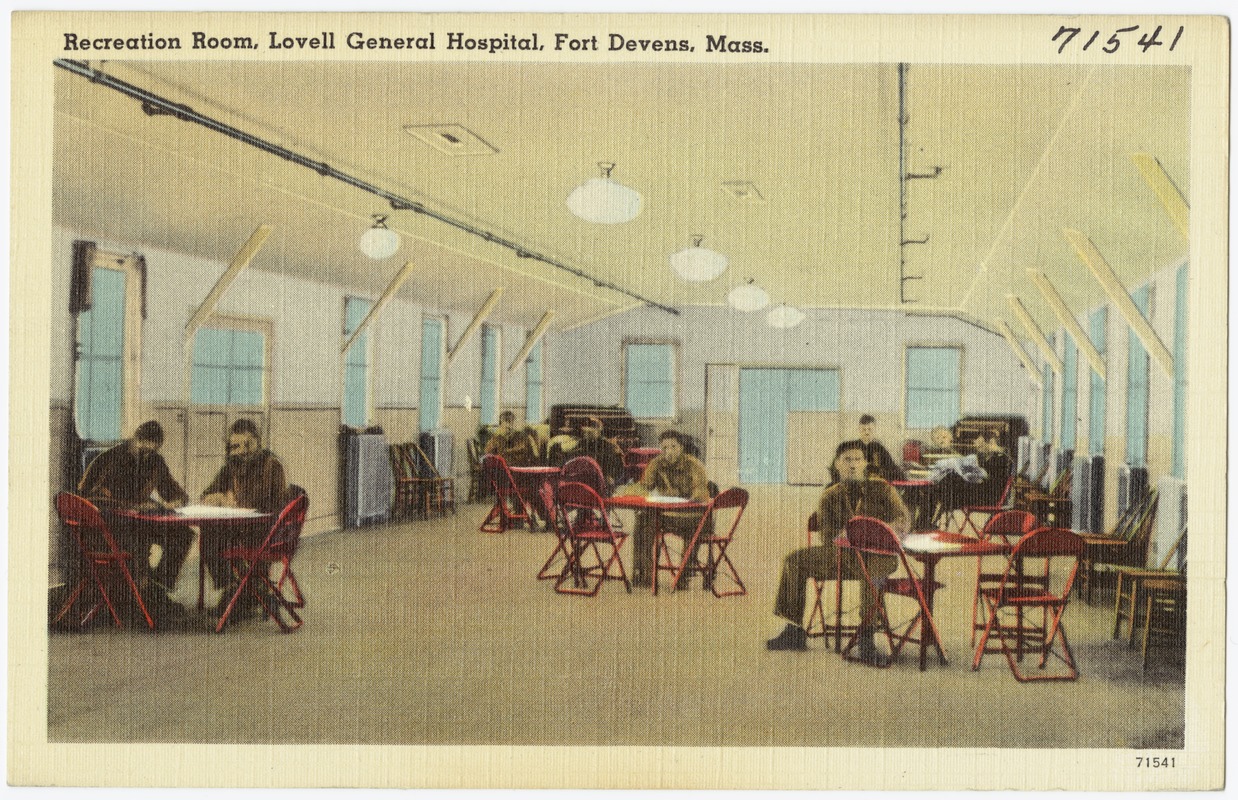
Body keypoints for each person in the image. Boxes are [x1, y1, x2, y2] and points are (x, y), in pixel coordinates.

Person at [766, 440, 911, 665]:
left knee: (871, 572)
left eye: (858, 459)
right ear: (836, 465)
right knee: (794, 560)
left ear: (866, 464)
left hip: (879, 555)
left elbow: (903, 519)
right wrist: (844, 535)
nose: (853, 465)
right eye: (847, 460)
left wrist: (884, 531)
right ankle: (794, 629)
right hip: (843, 556)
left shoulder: (883, 488)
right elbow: (828, 538)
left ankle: (866, 637)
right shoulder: (830, 495)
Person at [77, 420, 193, 601]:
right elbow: (88, 497)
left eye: (152, 451)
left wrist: (177, 500)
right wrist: (135, 507)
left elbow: (174, 492)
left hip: (137, 522)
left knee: (183, 534)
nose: (147, 456)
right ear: (135, 440)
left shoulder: (155, 461)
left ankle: (158, 587)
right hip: (106, 526)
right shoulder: (111, 458)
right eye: (143, 450)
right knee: (140, 538)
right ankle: (142, 592)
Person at [199, 419, 290, 614]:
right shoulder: (232, 465)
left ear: (256, 442)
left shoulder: (271, 465)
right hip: (242, 526)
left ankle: (246, 588)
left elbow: (266, 504)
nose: (241, 451)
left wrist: (235, 503)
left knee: (218, 536)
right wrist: (214, 497)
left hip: (265, 529)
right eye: (235, 447)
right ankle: (233, 586)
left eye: (245, 445)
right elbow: (207, 494)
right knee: (209, 533)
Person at [629, 430, 711, 589]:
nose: (669, 451)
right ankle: (644, 574)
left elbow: (701, 494)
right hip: (667, 515)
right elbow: (644, 486)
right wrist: (632, 491)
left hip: (693, 516)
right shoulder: (657, 463)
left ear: (681, 447)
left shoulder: (694, 465)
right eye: (665, 448)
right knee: (642, 520)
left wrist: (686, 498)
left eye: (673, 447)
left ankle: (683, 575)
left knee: (691, 531)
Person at [551, 416, 627, 491]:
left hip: (598, 489)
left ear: (599, 429)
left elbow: (618, 473)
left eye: (591, 425)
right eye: (585, 425)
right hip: (578, 488)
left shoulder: (610, 448)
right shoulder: (576, 446)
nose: (586, 428)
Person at [857, 414, 904, 481]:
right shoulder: (854, 447)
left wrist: (880, 472)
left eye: (869, 429)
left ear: (874, 429)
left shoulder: (879, 447)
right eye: (864, 429)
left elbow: (892, 467)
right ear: (859, 429)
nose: (867, 432)